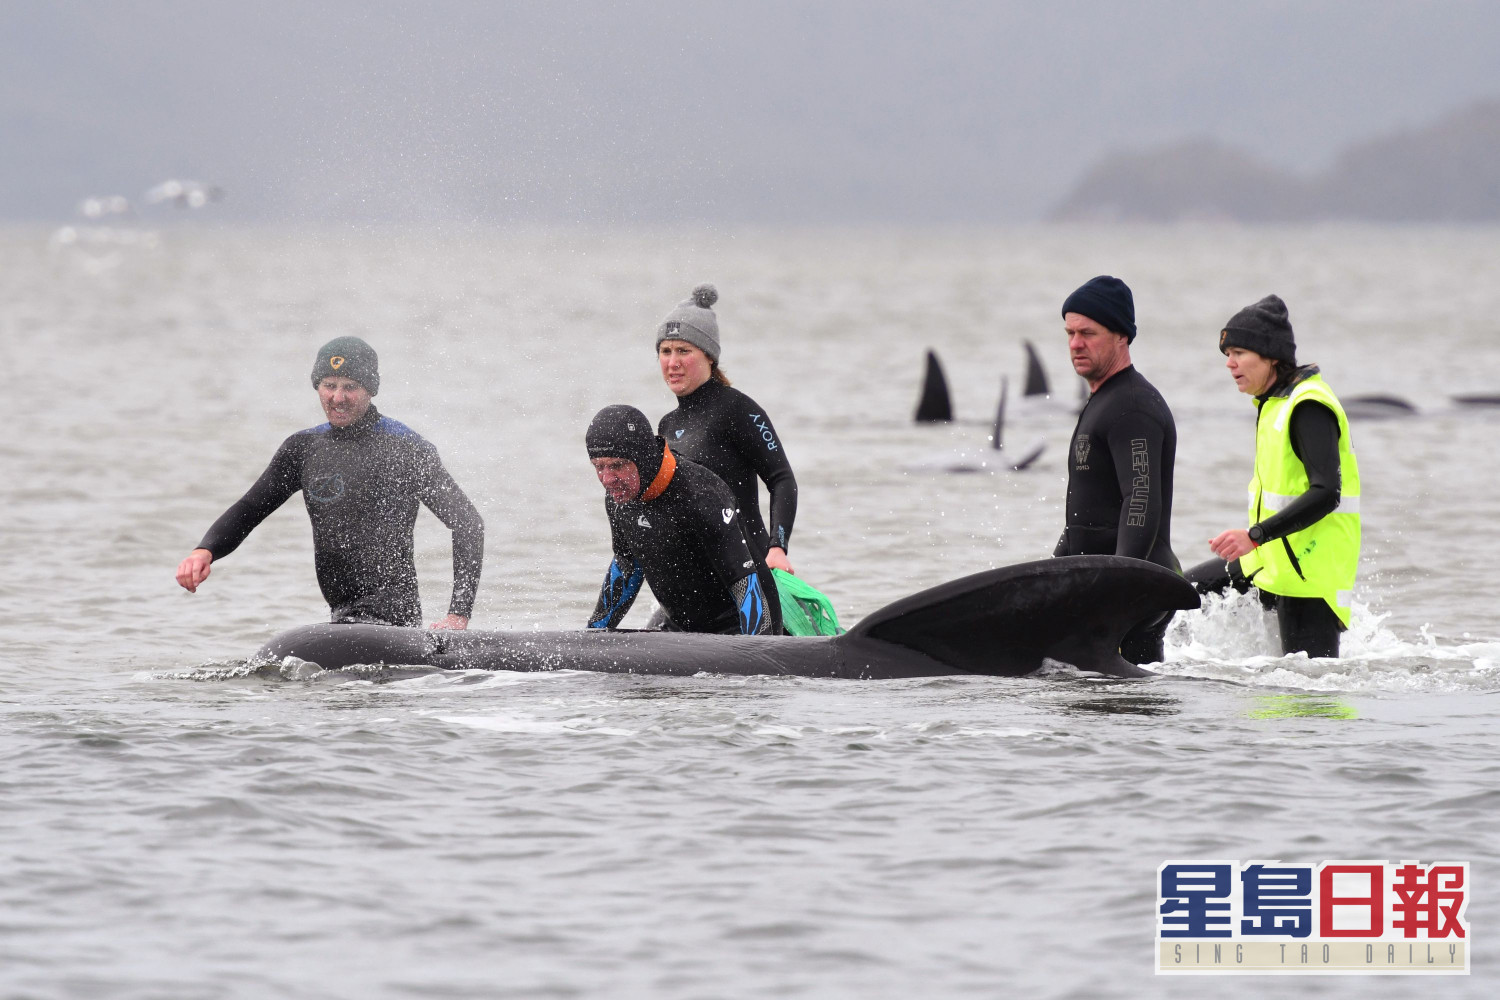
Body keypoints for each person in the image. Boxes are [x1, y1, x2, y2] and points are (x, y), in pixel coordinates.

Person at [175, 336, 484, 629]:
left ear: (371, 390)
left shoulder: (406, 447)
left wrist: (458, 614)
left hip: (394, 622)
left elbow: (468, 523)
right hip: (341, 617)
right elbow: (251, 507)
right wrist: (205, 551)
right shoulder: (304, 449)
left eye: (350, 387)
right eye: (329, 385)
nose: (338, 398)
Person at [1191, 295, 1361, 658]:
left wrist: (1255, 535)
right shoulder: (1273, 403)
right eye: (1227, 355)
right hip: (1269, 561)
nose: (1230, 364)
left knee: (1304, 700)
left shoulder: (1308, 405)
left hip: (1309, 577)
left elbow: (1327, 492)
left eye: (1239, 353)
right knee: (1177, 595)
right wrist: (1258, 541)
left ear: (1271, 356)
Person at [1054, 275, 1180, 664]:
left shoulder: (1132, 407)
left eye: (1088, 333)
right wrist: (1055, 571)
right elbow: (1090, 507)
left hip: (1133, 592)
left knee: (1126, 715)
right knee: (1109, 710)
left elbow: (1140, 498)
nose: (1076, 343)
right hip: (1110, 588)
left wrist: (1120, 587)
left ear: (1121, 336)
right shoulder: (1103, 400)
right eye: (1070, 332)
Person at [585, 404, 781, 635]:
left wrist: (758, 651)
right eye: (599, 467)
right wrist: (591, 636)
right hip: (677, 629)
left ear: (643, 457)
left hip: (737, 629)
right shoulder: (620, 499)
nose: (607, 479)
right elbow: (628, 567)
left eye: (617, 466)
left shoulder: (702, 494)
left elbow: (745, 585)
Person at [654, 284, 798, 574]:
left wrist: (777, 548)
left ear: (709, 356)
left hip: (749, 571)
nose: (673, 362)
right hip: (700, 579)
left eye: (684, 350)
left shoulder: (736, 409)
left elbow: (782, 479)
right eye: (665, 351)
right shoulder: (667, 425)